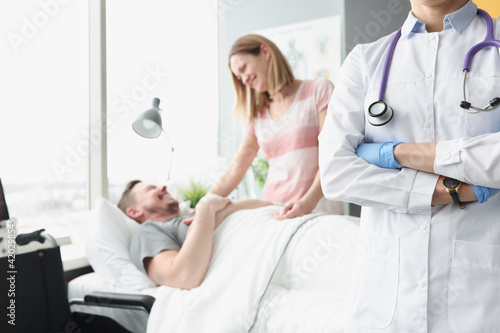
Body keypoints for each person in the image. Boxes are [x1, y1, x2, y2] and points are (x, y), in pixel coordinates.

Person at [318, 0, 500, 332]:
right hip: (384, 298)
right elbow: (336, 173)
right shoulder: (365, 60)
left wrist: (397, 153)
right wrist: (456, 189)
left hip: (483, 297)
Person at [210, 34, 343, 219]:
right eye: (239, 77)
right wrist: (204, 205)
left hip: (317, 210)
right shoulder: (258, 116)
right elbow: (236, 169)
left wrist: (306, 204)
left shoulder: (318, 90)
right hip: (275, 211)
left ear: (265, 52)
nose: (244, 80)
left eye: (243, 68)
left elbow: (333, 154)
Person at [118, 180, 270, 290]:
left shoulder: (196, 215)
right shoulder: (147, 232)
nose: (163, 186)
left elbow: (268, 205)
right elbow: (182, 277)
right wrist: (206, 209)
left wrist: (220, 209)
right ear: (134, 211)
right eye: (151, 188)